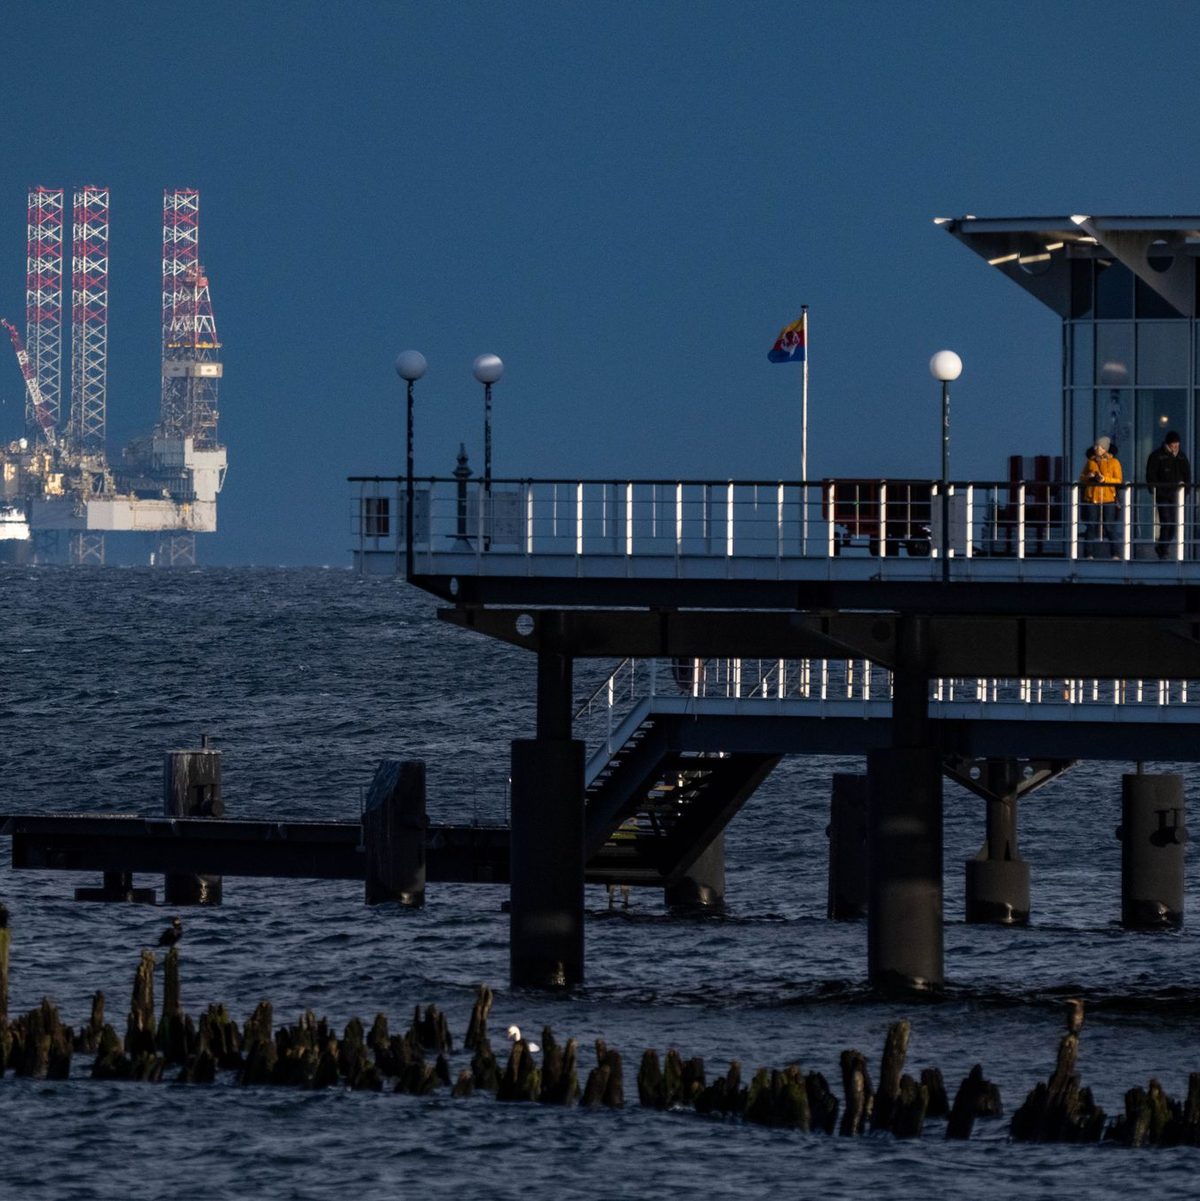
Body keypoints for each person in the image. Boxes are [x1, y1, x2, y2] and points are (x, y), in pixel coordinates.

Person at [1145, 429, 1191, 560]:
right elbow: (1150, 473)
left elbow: (1187, 474)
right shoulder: (1157, 456)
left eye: (1177, 443)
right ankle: (1163, 550)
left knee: (1174, 525)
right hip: (1163, 495)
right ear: (1168, 444)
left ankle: (1161, 547)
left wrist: (1186, 490)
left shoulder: (1181, 456)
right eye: (1173, 444)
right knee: (1166, 522)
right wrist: (1152, 488)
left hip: (1176, 496)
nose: (1175, 446)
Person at [1080, 436, 1123, 558]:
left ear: (1104, 448)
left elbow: (1118, 480)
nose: (1095, 448)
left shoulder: (1114, 462)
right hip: (1092, 498)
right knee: (1091, 526)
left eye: (1098, 446)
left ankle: (1115, 553)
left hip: (1108, 498)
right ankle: (1088, 553)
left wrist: (1105, 479)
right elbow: (1082, 478)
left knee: (1109, 526)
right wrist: (1089, 476)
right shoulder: (1090, 462)